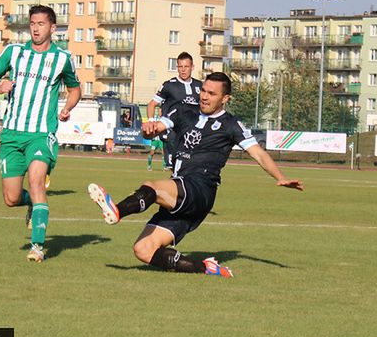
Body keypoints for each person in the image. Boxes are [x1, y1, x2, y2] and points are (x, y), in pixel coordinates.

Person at [89, 72, 303, 277]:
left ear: (225, 98)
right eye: (203, 91)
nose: (204, 96)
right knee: (144, 249)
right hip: (181, 192)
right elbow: (158, 126)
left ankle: (117, 211)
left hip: (200, 189)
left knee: (152, 187)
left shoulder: (231, 125)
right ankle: (205, 268)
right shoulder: (184, 111)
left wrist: (279, 177)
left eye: (212, 93)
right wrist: (149, 129)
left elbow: (259, 154)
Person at [0, 5, 81, 263]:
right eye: (32, 24)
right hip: (12, 134)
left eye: (41, 24)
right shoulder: (14, 52)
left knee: (36, 181)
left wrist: (67, 108)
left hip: (41, 133)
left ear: (52, 28)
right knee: (11, 198)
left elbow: (75, 89)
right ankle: (30, 206)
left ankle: (37, 247)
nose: (35, 29)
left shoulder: (63, 58)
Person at [147, 51, 202, 171]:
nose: (183, 70)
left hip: (191, 134)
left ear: (192, 67)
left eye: (186, 66)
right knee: (175, 169)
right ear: (177, 67)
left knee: (190, 168)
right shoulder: (169, 85)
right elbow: (152, 104)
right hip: (172, 134)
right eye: (180, 66)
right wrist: (151, 121)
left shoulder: (200, 86)